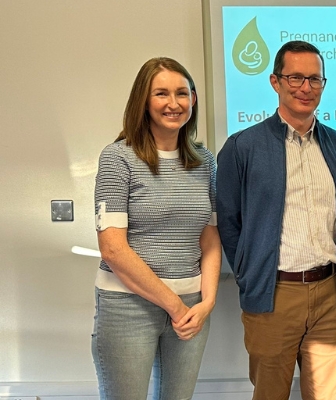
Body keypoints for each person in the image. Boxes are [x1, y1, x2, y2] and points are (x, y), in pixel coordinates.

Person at [216, 40, 336, 400]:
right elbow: (229, 221)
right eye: (295, 77)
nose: (305, 88)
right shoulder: (242, 147)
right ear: (275, 81)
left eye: (314, 79)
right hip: (273, 296)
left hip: (331, 295)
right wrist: (250, 274)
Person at [92, 57, 221, 399]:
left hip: (192, 306)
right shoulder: (118, 158)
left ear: (193, 99)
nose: (174, 103)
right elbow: (113, 249)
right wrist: (173, 306)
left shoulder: (204, 161)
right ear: (143, 102)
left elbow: (209, 236)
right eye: (161, 93)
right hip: (127, 307)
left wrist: (207, 302)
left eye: (182, 93)